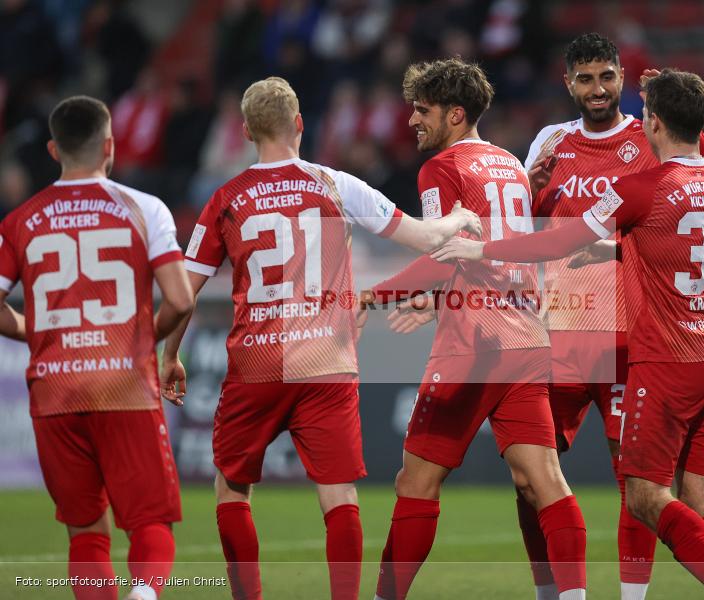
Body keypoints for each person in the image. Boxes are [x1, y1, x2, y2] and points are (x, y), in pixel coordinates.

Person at [432, 69, 704, 600]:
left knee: (642, 495)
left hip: (661, 358)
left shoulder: (641, 188)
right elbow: (671, 230)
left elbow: (556, 240)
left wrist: (483, 250)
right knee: (703, 490)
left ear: (653, 122)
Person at [158, 76, 481, 600]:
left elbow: (182, 294)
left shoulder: (226, 198)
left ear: (245, 131)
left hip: (256, 363)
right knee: (338, 494)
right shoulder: (335, 184)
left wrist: (171, 354)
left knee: (232, 489)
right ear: (301, 125)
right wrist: (461, 216)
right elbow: (423, 237)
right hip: (326, 361)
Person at [367, 58, 587, 600]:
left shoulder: (441, 169)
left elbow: (445, 255)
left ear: (455, 114)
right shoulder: (511, 164)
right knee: (542, 482)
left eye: (423, 111)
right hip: (527, 339)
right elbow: (485, 255)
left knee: (416, 484)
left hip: (472, 346)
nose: (413, 121)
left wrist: (376, 293)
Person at [0, 95, 194, 600]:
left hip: (55, 391)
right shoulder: (143, 208)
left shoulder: (21, 220)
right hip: (124, 382)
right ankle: (145, 594)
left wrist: (33, 330)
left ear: (51, 149)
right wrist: (142, 340)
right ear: (110, 146)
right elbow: (179, 297)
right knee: (150, 519)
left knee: (85, 530)